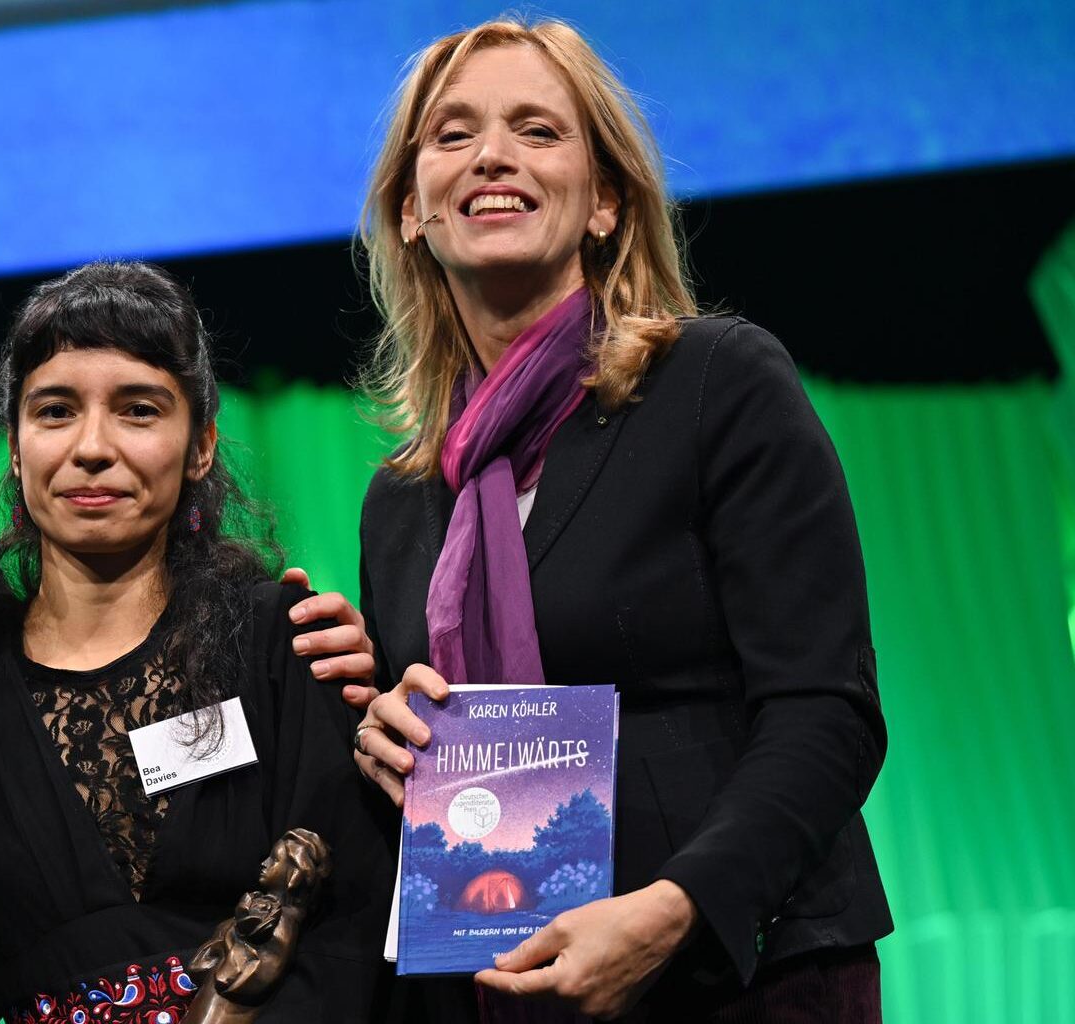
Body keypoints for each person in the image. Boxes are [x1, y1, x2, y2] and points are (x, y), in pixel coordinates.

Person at [345, 18, 892, 1022]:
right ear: (411, 210)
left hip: (743, 975)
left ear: (605, 201)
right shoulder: (402, 500)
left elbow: (827, 712)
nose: (493, 155)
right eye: (454, 134)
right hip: (506, 987)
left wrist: (672, 909)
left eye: (538, 131)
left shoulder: (718, 385)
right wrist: (390, 741)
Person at [0, 262, 397, 1023]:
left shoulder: (282, 639)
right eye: (55, 411)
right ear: (13, 446)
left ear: (200, 446)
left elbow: (352, 921)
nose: (92, 447)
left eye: (138, 411)